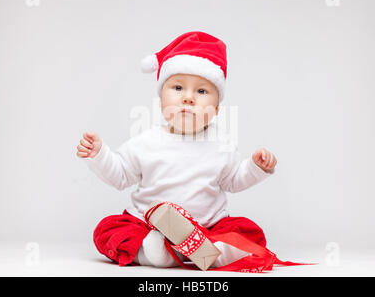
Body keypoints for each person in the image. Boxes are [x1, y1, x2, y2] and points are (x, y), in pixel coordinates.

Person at [76, 31, 278, 269]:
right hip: (148, 224)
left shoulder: (221, 144)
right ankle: (155, 251)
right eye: (178, 88)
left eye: (201, 92)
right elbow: (120, 176)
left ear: (216, 109)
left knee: (248, 230)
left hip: (208, 225)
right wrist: (99, 155)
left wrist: (256, 167)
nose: (188, 99)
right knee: (108, 229)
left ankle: (203, 248)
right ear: (161, 100)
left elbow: (234, 181)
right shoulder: (146, 142)